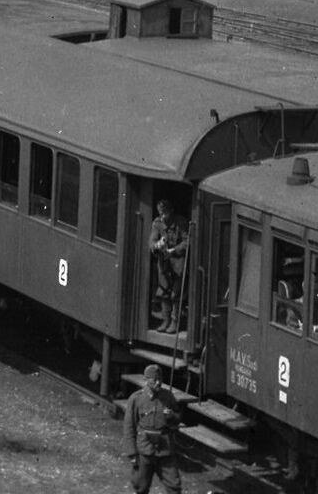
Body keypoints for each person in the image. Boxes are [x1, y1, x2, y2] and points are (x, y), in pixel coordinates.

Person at [122, 364, 181, 493]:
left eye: (160, 379)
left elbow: (178, 418)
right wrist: (132, 453)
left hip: (165, 449)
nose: (158, 383)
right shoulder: (137, 399)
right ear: (146, 380)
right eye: (154, 380)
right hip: (144, 450)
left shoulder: (168, 396)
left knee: (174, 486)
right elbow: (129, 426)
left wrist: (171, 416)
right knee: (140, 486)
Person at [149, 200, 188, 334]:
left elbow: (187, 242)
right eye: (160, 213)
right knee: (164, 291)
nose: (162, 216)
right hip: (164, 264)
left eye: (164, 213)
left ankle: (175, 322)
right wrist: (157, 245)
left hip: (178, 263)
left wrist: (173, 250)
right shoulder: (157, 223)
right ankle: (165, 320)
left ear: (171, 211)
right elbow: (152, 243)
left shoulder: (181, 222)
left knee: (176, 294)